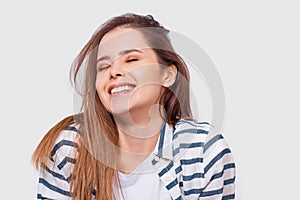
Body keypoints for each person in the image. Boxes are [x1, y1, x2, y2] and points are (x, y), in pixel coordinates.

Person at [32, 13, 236, 200]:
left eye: (131, 59)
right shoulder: (70, 148)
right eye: (103, 67)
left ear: (167, 75)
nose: (114, 71)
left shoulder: (202, 152)